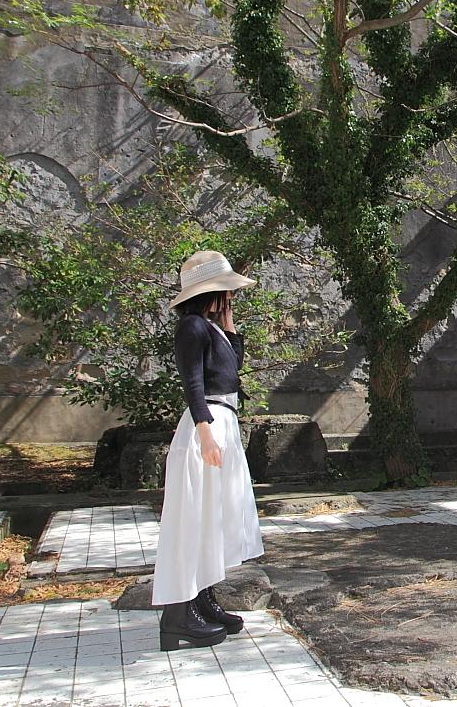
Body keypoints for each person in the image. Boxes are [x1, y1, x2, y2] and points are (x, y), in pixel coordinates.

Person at [152, 250, 265, 651]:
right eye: (226, 293)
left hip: (223, 422)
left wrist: (229, 323)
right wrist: (204, 430)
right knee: (194, 518)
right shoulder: (191, 328)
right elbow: (193, 383)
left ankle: (202, 601)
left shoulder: (211, 327)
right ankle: (178, 616)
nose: (231, 298)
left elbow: (233, 368)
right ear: (209, 292)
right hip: (208, 425)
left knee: (214, 517)